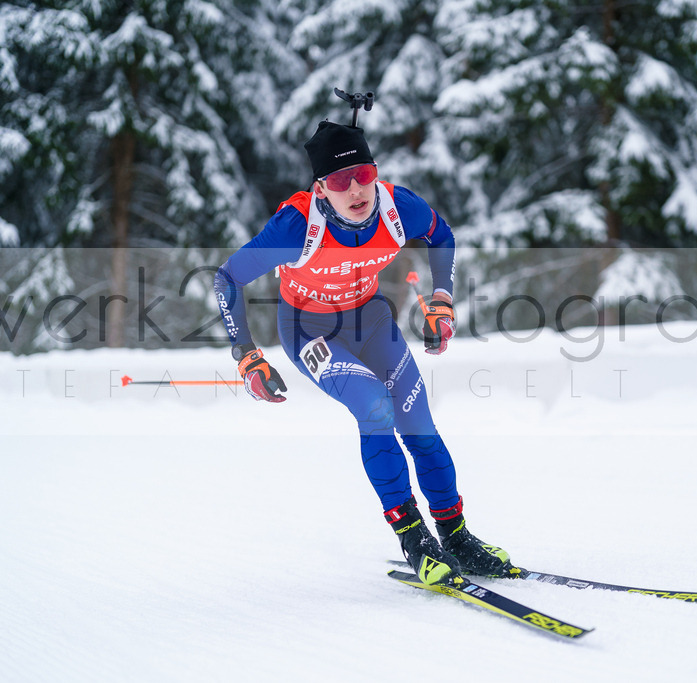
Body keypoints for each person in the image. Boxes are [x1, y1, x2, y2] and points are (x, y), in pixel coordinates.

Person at [213, 117, 512, 585]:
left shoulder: (398, 208)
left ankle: (456, 537)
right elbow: (226, 277)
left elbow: (442, 235)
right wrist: (247, 356)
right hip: (310, 331)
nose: (355, 190)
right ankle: (415, 540)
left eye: (364, 175)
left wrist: (443, 300)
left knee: (419, 423)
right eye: (338, 180)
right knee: (375, 406)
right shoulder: (296, 227)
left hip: (369, 321)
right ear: (320, 189)